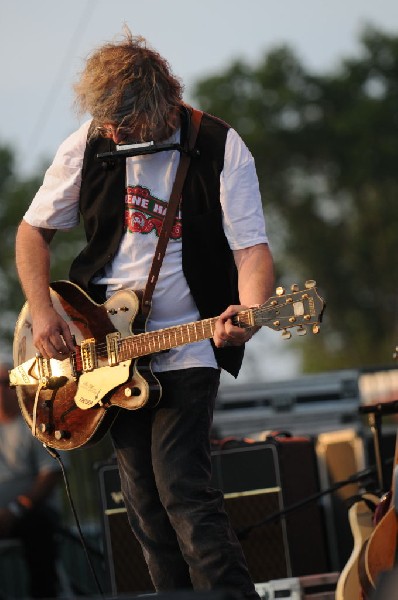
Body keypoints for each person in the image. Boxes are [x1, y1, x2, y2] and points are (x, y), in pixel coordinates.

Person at [15, 28, 275, 599]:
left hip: (190, 345)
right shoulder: (87, 144)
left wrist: (249, 316)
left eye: (123, 124)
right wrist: (42, 313)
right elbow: (32, 232)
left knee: (182, 488)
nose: (112, 133)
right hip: (103, 350)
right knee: (143, 507)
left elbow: (251, 250)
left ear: (159, 105)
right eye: (105, 123)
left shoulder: (220, 147)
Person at [0, 361, 63, 598]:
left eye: (7, 382)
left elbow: (51, 473)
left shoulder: (37, 422)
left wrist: (15, 509)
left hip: (29, 513)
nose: (1, 388)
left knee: (38, 526)